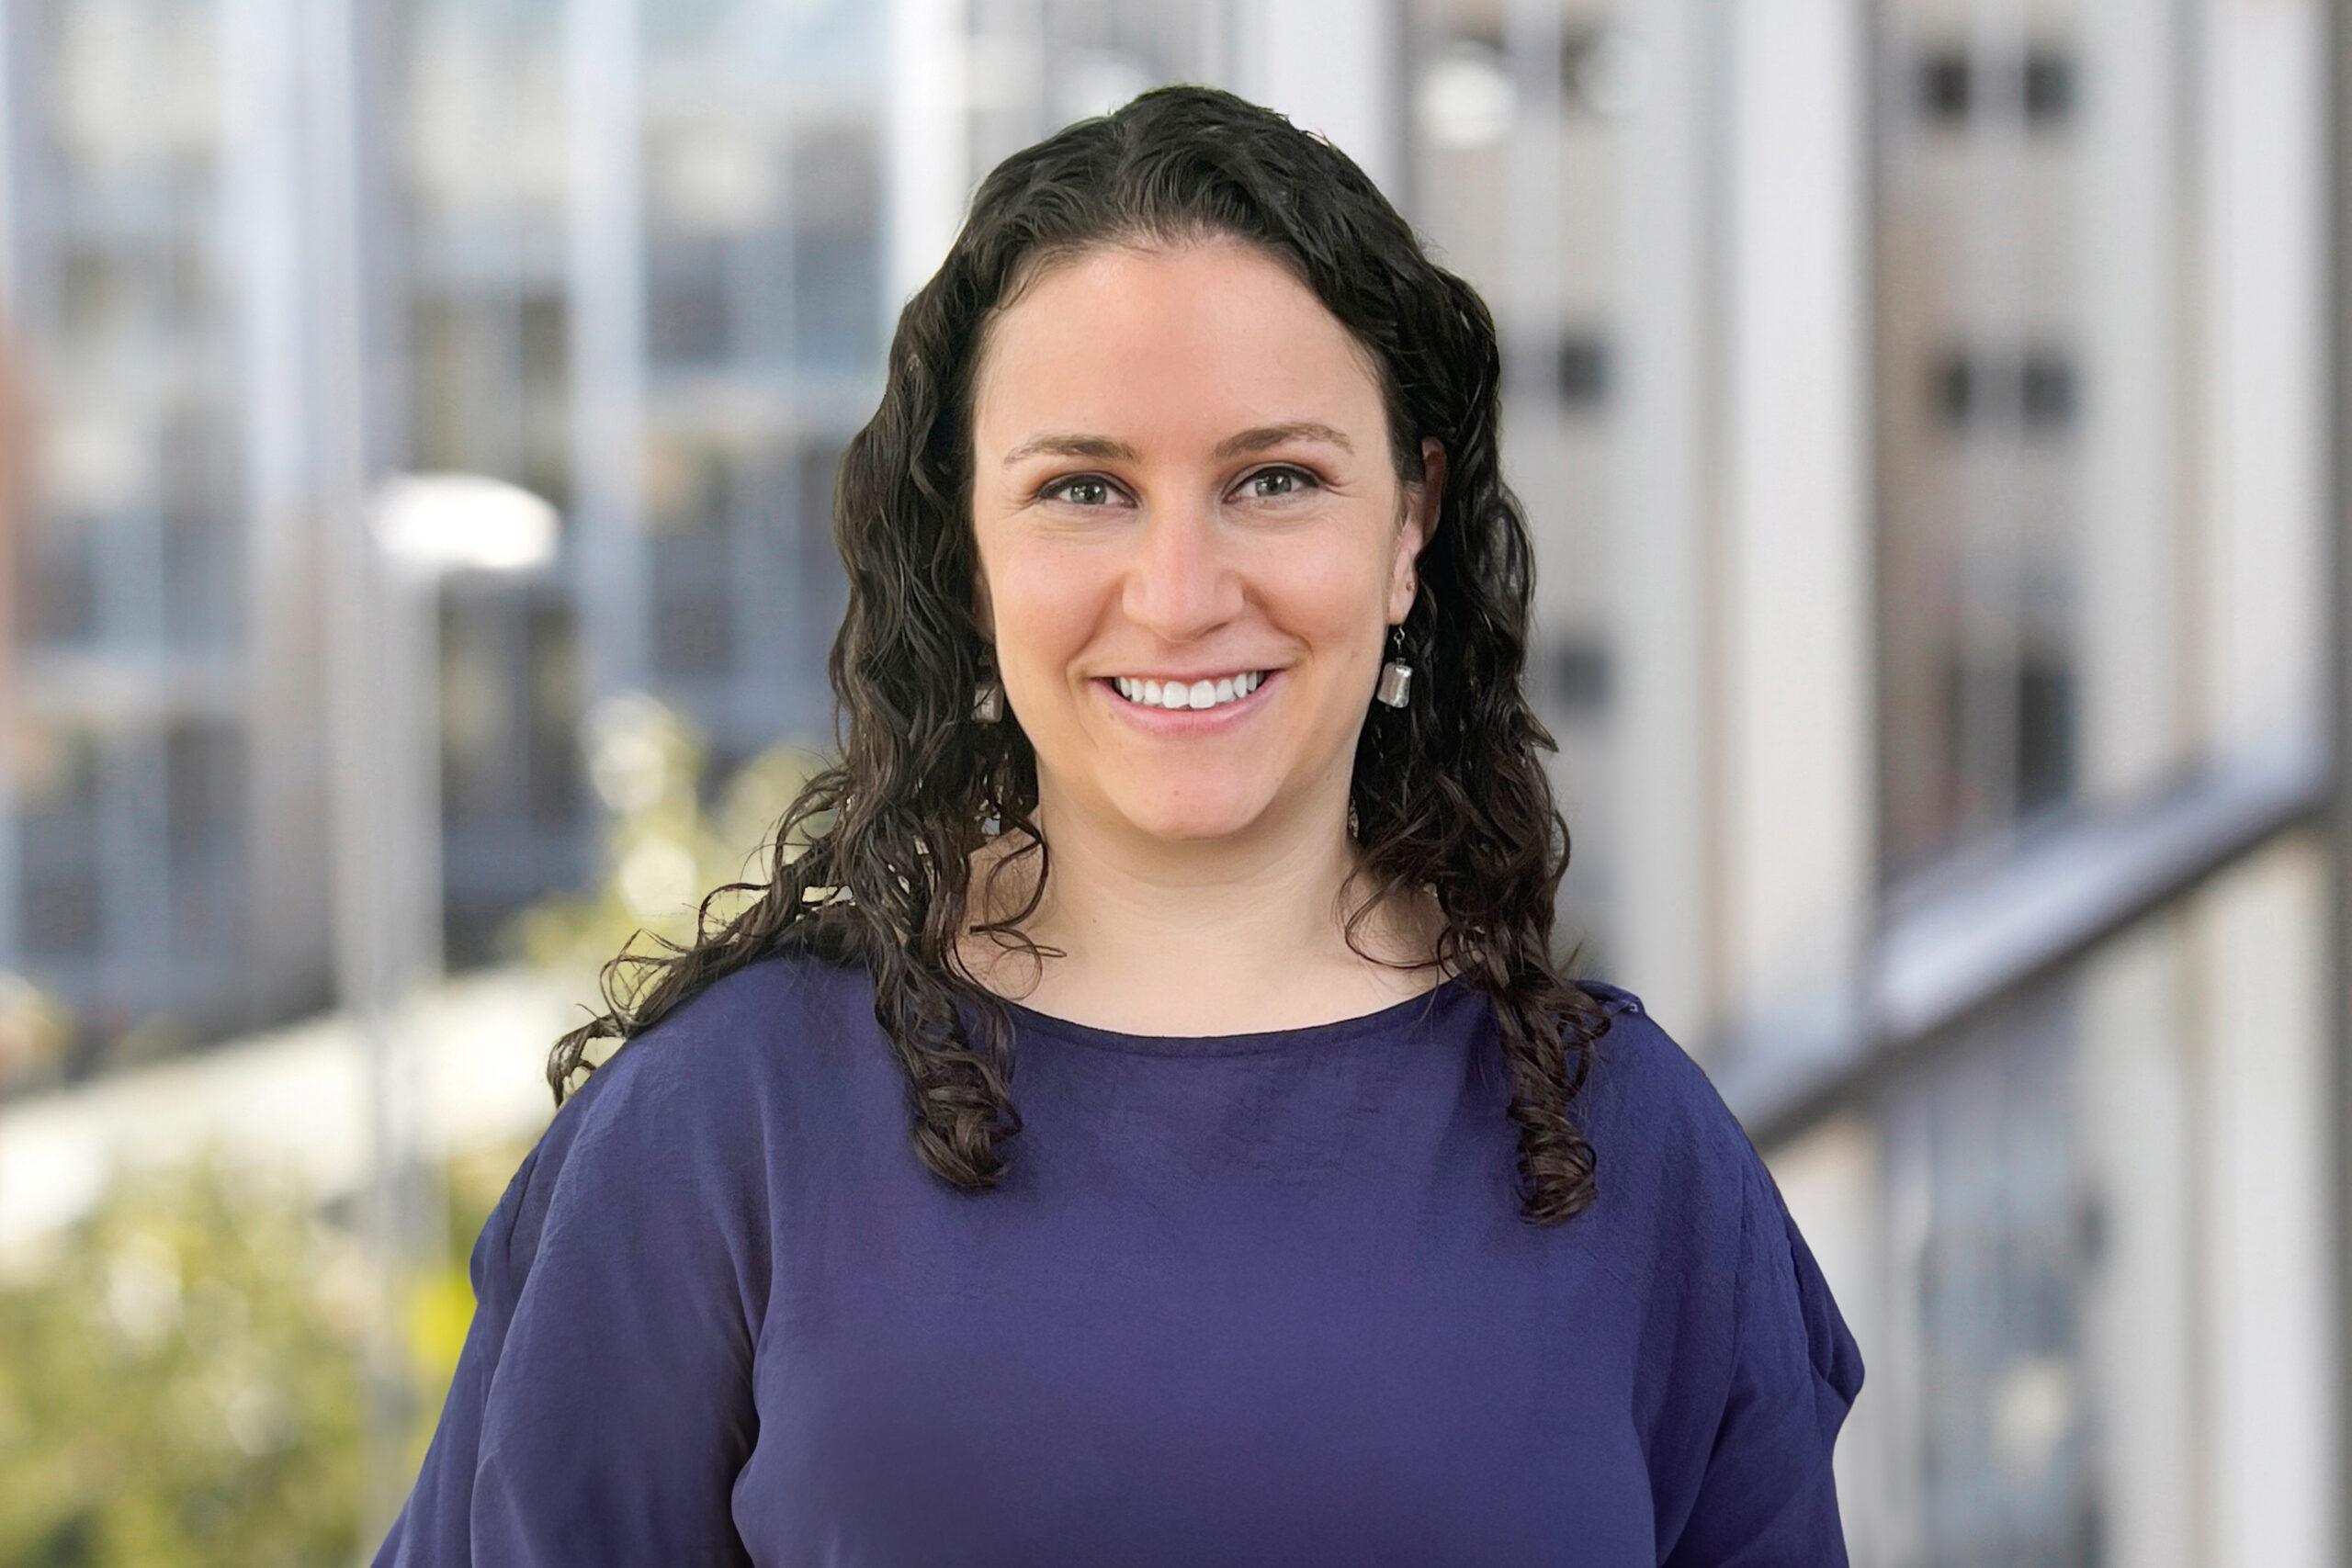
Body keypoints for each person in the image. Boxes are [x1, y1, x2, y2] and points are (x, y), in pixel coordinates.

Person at [372, 83, 1863, 1566]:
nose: (1178, 592)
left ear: (1410, 525)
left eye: (1274, 480)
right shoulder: (722, 1135)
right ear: (968, 550)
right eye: (1085, 488)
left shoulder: (1630, 1148)